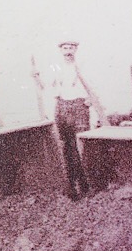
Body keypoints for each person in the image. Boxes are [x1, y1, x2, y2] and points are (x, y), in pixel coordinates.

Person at [32, 38, 98, 199]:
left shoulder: (83, 66)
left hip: (79, 107)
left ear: (76, 50)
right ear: (61, 50)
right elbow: (45, 86)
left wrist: (90, 99)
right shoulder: (56, 68)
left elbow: (93, 86)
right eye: (65, 48)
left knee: (81, 145)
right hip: (61, 107)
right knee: (65, 146)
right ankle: (71, 186)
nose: (68, 51)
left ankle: (85, 184)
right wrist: (36, 77)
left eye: (71, 48)